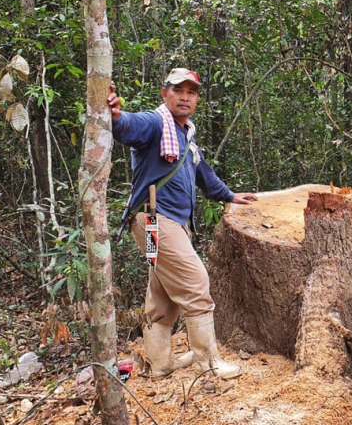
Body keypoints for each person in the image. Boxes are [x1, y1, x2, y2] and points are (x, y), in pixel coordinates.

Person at [108, 68, 258, 379]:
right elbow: (128, 127)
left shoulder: (186, 137)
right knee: (195, 282)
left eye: (191, 91)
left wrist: (230, 196)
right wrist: (116, 116)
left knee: (162, 290)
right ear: (166, 94)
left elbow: (205, 176)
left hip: (162, 224)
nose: (185, 96)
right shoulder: (154, 123)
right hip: (155, 221)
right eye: (178, 90)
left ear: (197, 99)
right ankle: (209, 364)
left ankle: (161, 363)